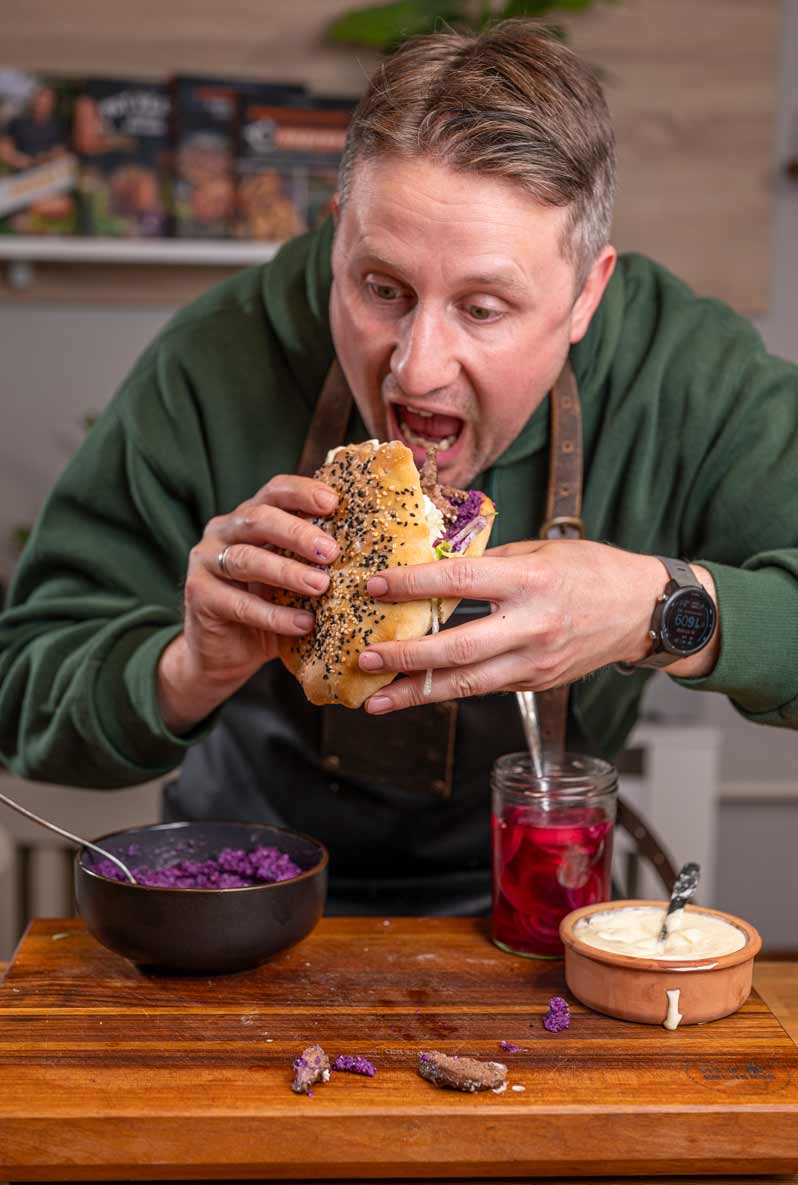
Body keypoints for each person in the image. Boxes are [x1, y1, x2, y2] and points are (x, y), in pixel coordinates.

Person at [1, 21, 796, 916]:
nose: (416, 368)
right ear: (337, 237)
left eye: (485, 308)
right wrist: (185, 667)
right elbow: (23, 690)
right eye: (381, 288)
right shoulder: (215, 359)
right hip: (246, 905)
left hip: (527, 910)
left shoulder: (684, 368)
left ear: (586, 296)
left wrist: (661, 609)